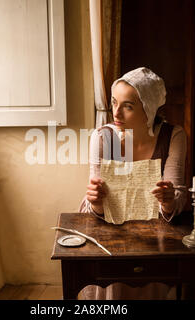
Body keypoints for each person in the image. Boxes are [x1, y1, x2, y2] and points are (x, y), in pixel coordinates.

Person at [78, 67, 187, 300]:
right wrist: (96, 201)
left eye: (128, 106)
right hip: (109, 224)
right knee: (114, 283)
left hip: (156, 228)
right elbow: (97, 206)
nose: (116, 113)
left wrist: (168, 200)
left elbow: (176, 199)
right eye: (114, 102)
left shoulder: (173, 136)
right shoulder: (102, 137)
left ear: (149, 108)